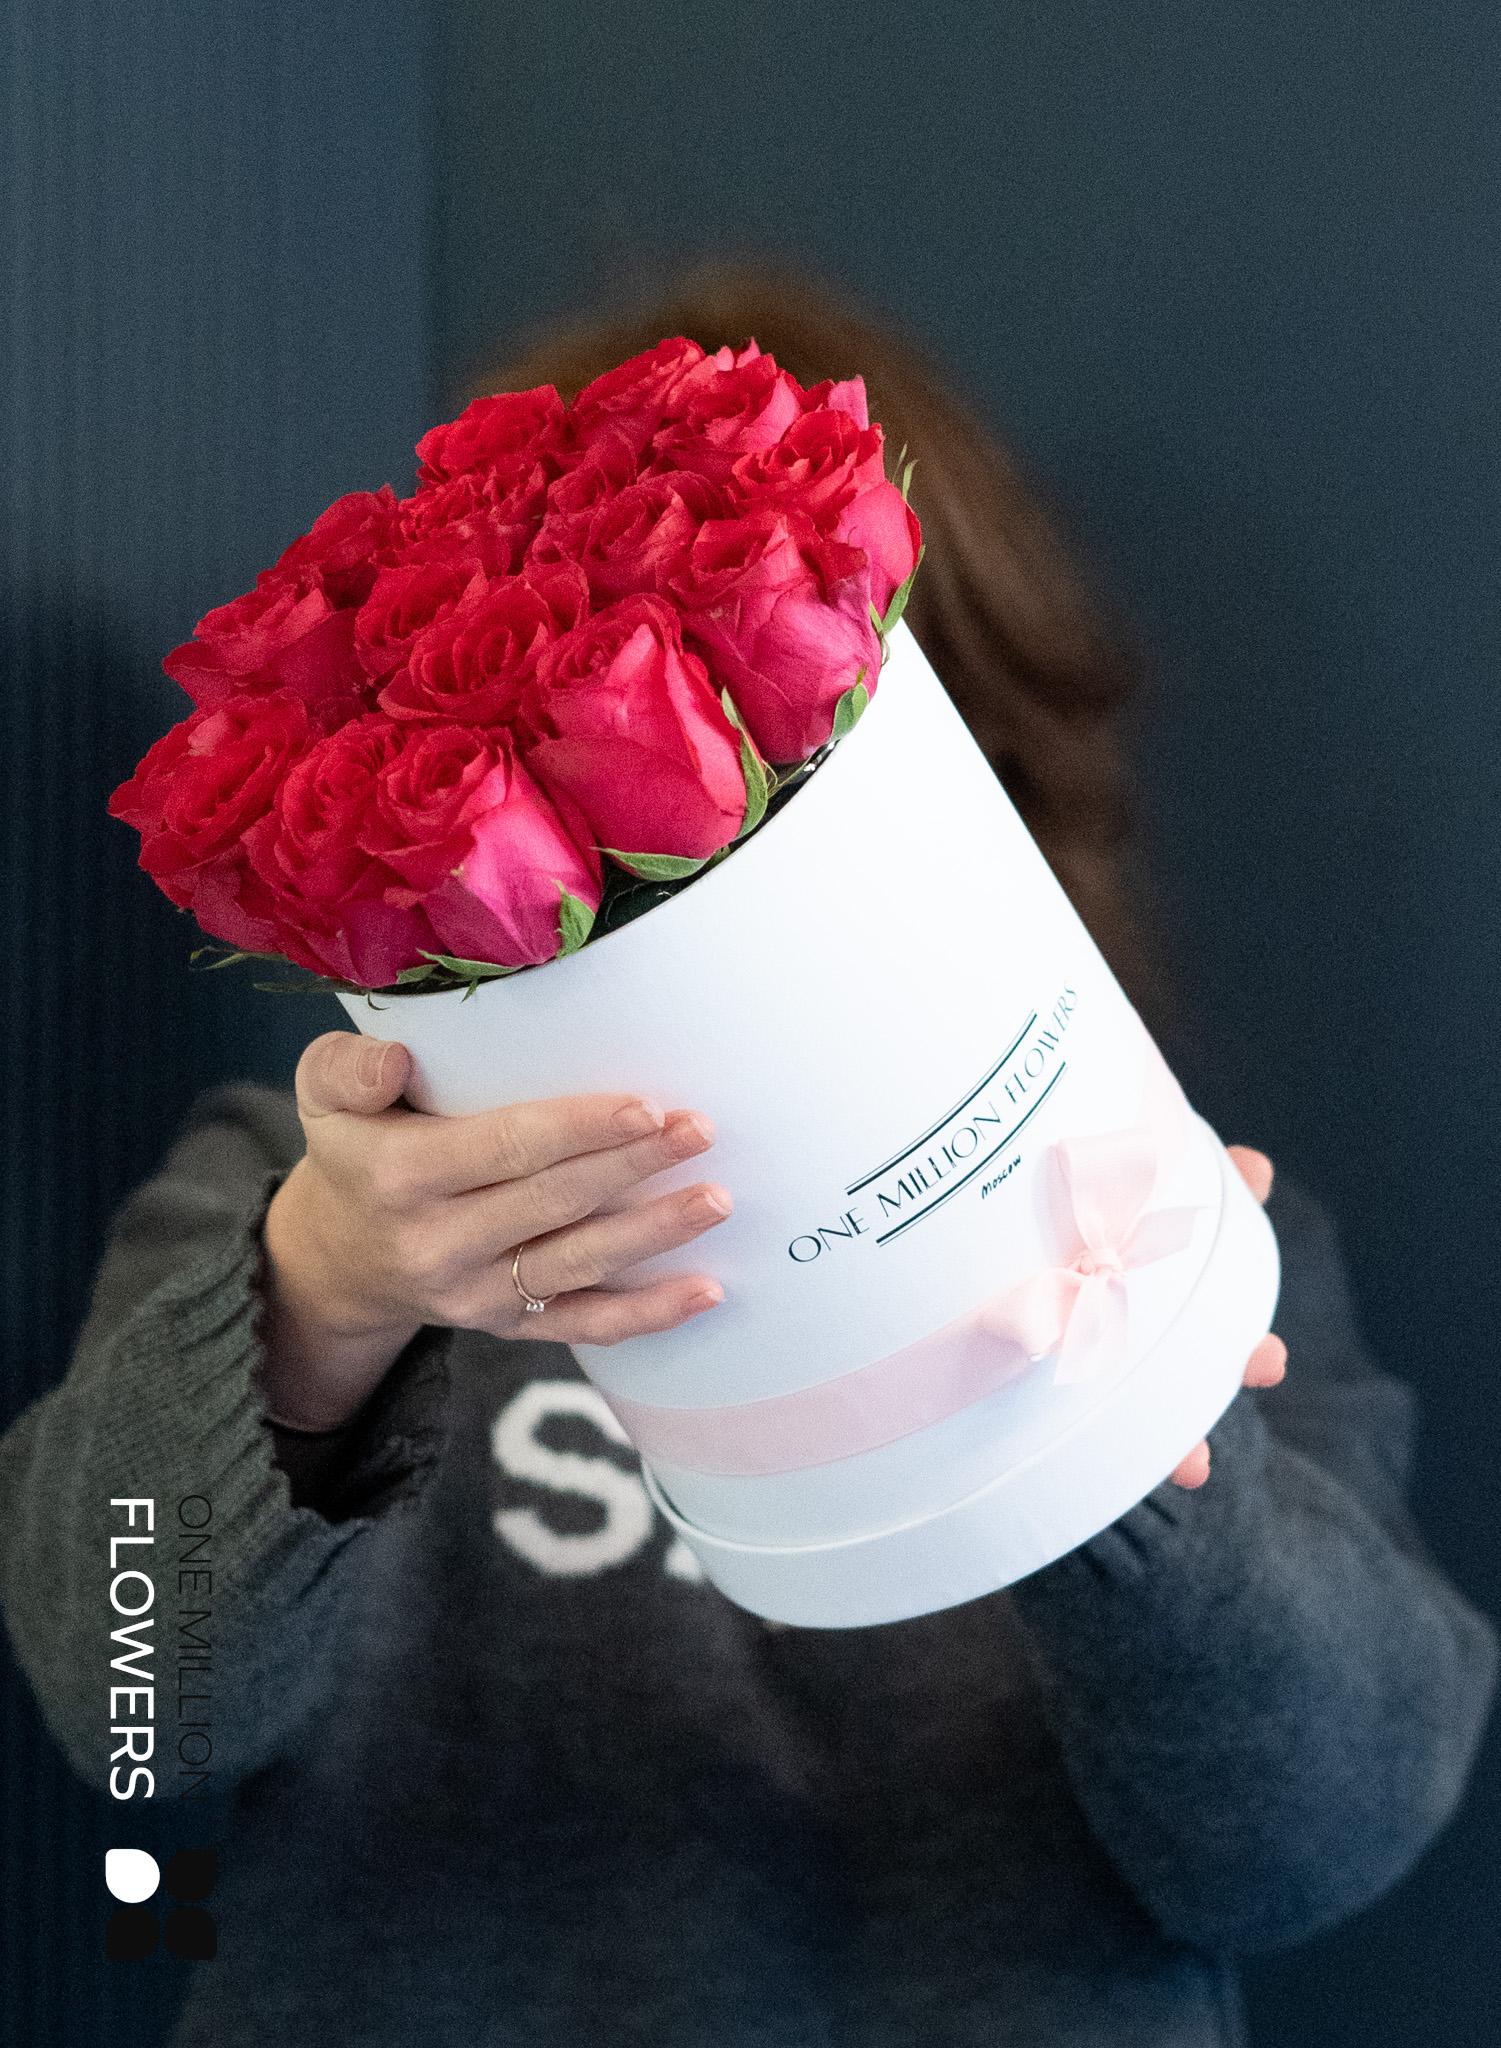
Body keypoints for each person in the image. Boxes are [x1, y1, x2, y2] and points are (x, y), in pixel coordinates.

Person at [0, 268, 1494, 2048]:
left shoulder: (1161, 1221)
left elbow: (1311, 1848)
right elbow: (129, 1705)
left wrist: (1132, 1448)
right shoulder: (288, 1214)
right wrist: (317, 1302)